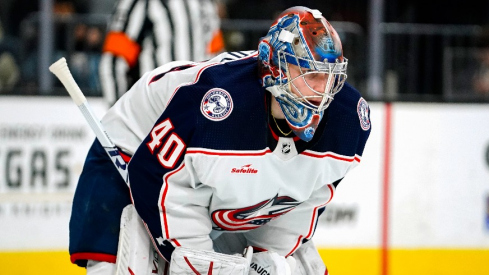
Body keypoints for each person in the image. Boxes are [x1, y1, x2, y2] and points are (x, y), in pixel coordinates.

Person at [69, 6, 371, 274]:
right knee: (112, 266)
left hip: (196, 177)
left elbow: (303, 199)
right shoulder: (216, 107)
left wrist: (267, 256)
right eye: (307, 73)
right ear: (274, 66)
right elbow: (159, 182)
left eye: (328, 75)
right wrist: (198, 261)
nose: (321, 91)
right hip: (133, 151)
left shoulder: (348, 119)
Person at [99, 0, 225, 106]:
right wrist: (120, 118)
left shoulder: (205, 3)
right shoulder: (143, 2)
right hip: (156, 110)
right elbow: (113, 61)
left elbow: (217, 60)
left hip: (199, 110)